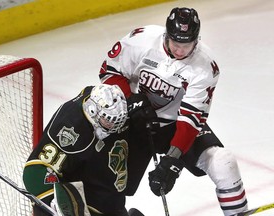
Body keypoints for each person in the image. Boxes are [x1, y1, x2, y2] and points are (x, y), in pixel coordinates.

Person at [99, 7, 248, 216]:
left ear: (196, 40)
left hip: (173, 125)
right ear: (166, 35)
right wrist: (131, 100)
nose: (179, 51)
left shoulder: (206, 65)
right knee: (105, 177)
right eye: (175, 44)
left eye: (186, 46)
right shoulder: (140, 41)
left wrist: (172, 161)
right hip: (131, 120)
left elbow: (191, 117)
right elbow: (109, 72)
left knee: (224, 162)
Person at [23, 84, 132, 216]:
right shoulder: (70, 125)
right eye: (107, 122)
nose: (112, 128)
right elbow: (35, 170)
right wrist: (55, 199)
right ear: (93, 110)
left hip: (103, 197)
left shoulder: (107, 111)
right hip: (77, 197)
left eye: (116, 123)